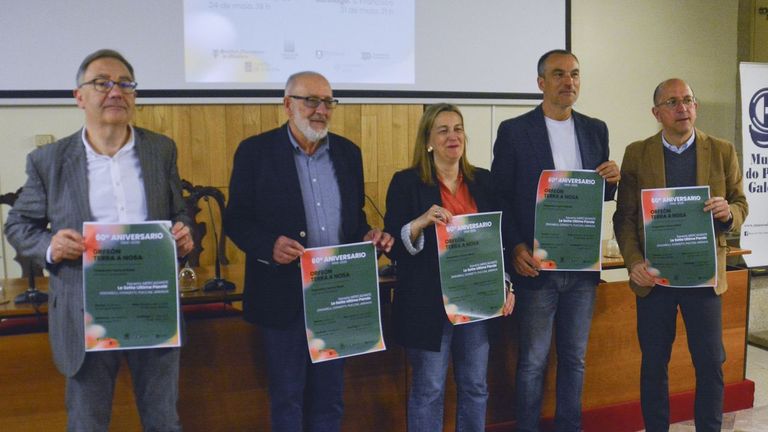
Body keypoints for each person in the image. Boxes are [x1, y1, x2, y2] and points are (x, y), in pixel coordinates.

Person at [4, 49, 194, 431]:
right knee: (88, 423)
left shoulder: (160, 150)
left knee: (163, 421)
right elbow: (19, 225)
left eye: (125, 84)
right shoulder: (49, 160)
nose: (115, 91)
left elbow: (179, 213)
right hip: (85, 311)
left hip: (151, 305)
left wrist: (182, 232)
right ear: (79, 96)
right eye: (102, 83)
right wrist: (51, 246)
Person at [224, 71, 393, 432]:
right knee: (287, 396)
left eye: (328, 102)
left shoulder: (348, 153)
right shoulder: (256, 152)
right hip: (282, 297)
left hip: (336, 296)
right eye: (311, 101)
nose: (321, 110)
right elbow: (236, 220)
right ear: (288, 105)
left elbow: (353, 219)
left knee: (330, 397)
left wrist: (368, 235)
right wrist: (268, 246)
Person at [490, 49, 620, 432]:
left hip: (581, 268)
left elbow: (597, 195)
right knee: (532, 360)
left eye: (576, 74)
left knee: (575, 359)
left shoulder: (596, 129)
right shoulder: (514, 131)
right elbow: (501, 196)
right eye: (560, 74)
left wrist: (612, 180)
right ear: (541, 83)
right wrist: (514, 247)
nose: (569, 82)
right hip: (537, 268)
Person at [613, 78, 748, 432]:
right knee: (654, 363)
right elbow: (624, 217)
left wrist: (728, 212)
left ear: (696, 106)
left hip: (703, 277)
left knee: (710, 363)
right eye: (672, 102)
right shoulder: (637, 153)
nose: (682, 108)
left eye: (688, 100)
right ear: (656, 112)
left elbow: (741, 203)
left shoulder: (721, 150)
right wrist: (633, 264)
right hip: (655, 278)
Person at [384, 103, 515, 431]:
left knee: (475, 387)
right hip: (427, 306)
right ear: (428, 140)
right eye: (443, 130)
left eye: (457, 128)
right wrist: (419, 222)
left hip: (476, 302)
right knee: (429, 390)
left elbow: (498, 241)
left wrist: (506, 285)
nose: (453, 136)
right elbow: (394, 247)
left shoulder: (483, 181)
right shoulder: (406, 183)